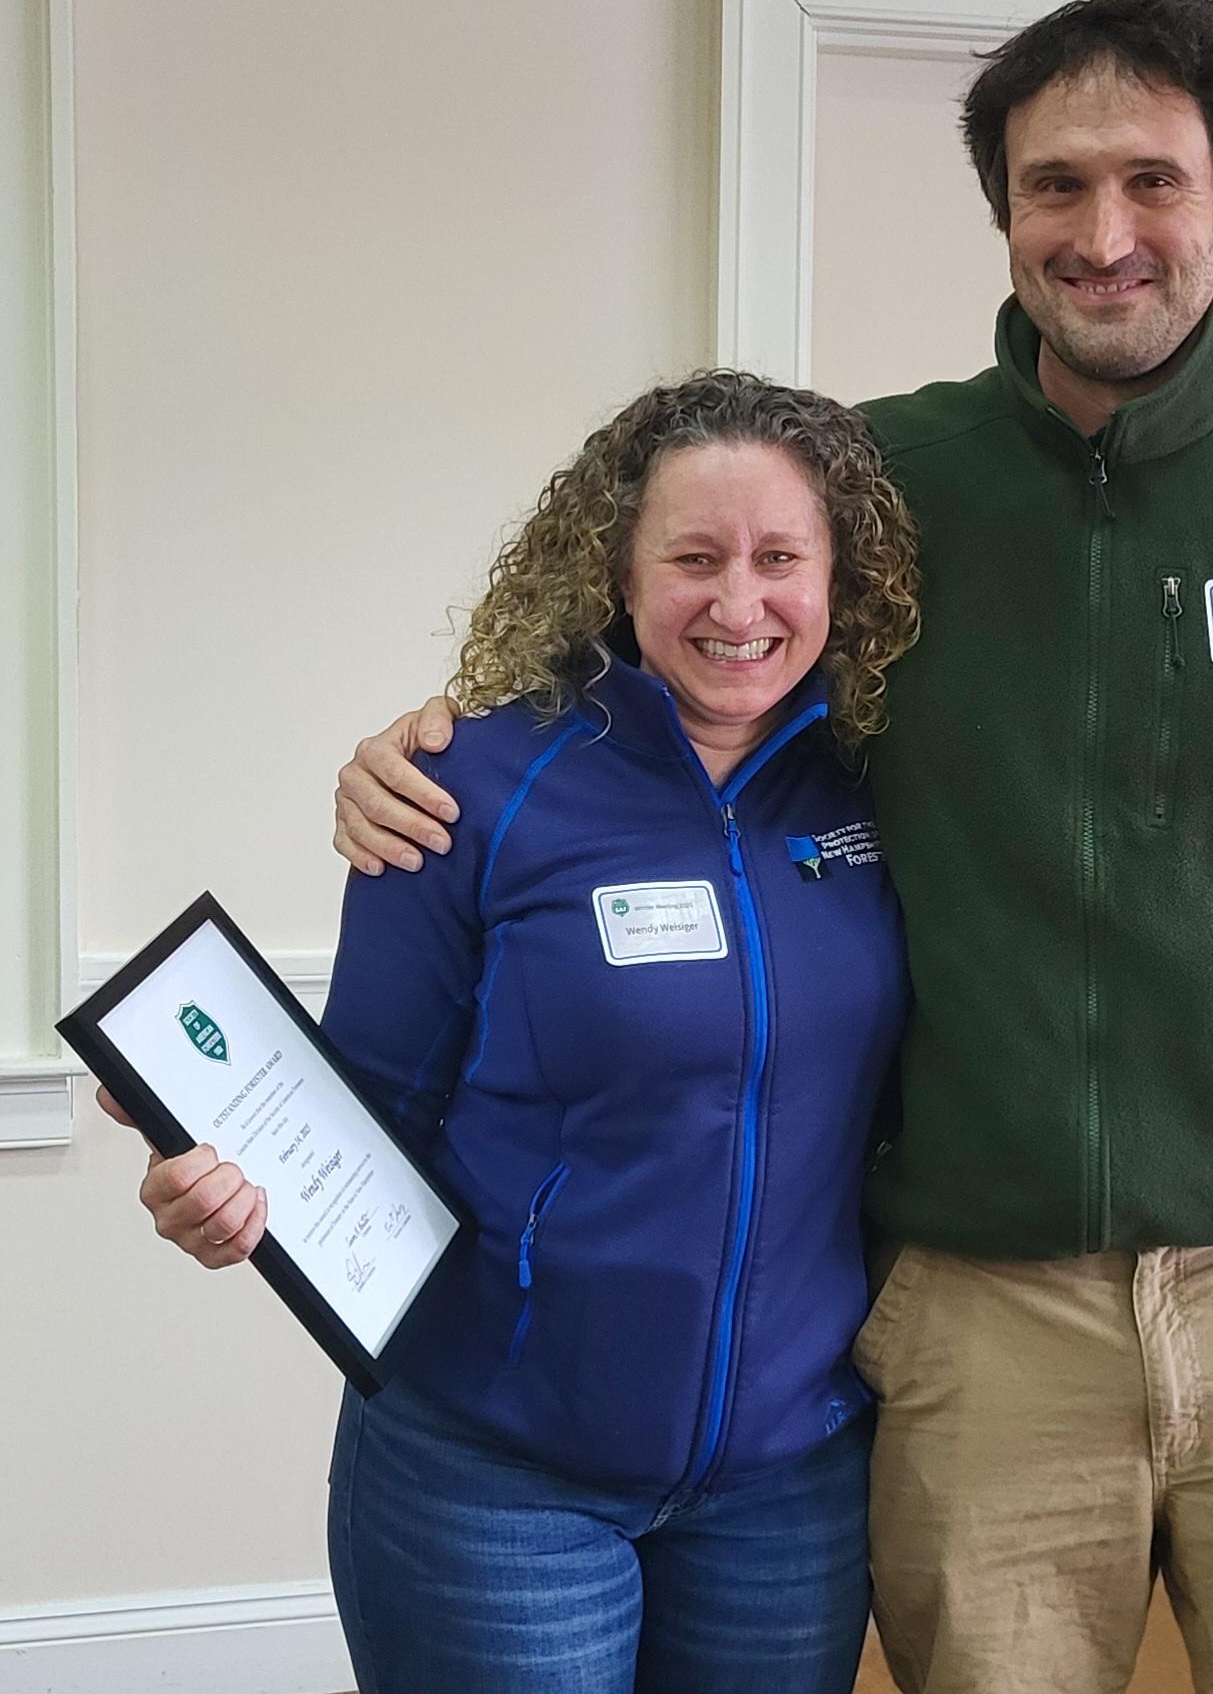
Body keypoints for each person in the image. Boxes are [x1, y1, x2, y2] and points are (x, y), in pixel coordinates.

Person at [332, 0, 1213, 1694]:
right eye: (1057, 184)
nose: (1105, 231)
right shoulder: (873, 489)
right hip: (977, 1321)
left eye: (1153, 181)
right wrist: (414, 745)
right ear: (1003, 208)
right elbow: (653, 667)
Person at [105, 372, 921, 1694]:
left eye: (782, 559)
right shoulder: (465, 788)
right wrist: (214, 1180)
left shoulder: (889, 783)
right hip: (493, 1481)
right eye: (694, 558)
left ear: (841, 575)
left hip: (790, 1489)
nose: (740, 604)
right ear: (616, 564)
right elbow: (360, 1109)